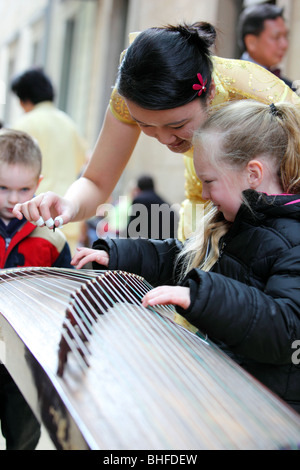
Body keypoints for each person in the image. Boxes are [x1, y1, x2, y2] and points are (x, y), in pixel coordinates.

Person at [71, 100, 300, 414]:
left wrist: (203, 295)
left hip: (273, 415)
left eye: (209, 182)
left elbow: (287, 330)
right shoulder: (240, 222)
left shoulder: (293, 239)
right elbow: (183, 259)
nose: (204, 195)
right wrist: (119, 253)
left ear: (253, 174)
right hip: (236, 399)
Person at [12, 22, 300, 243]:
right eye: (145, 125)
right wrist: (69, 204)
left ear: (210, 93)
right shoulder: (131, 93)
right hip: (196, 231)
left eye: (177, 126)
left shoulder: (260, 95)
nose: (164, 139)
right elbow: (97, 181)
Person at [0, 128, 73, 449]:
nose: (13, 199)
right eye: (2, 187)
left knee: (24, 436)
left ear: (39, 185)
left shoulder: (51, 239)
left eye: (23, 189)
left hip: (27, 360)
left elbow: (64, 299)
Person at [10, 67, 87, 253]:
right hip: (68, 219)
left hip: (33, 222)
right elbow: (84, 165)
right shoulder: (70, 125)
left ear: (24, 99)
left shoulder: (24, 125)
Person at [237, 3, 293, 88]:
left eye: (285, 36)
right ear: (251, 42)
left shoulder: (289, 88)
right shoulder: (226, 81)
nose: (284, 44)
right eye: (276, 37)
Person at [127, 175, 178, 239]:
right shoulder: (160, 199)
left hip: (152, 242)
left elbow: (131, 229)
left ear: (138, 188)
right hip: (168, 241)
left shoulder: (139, 199)